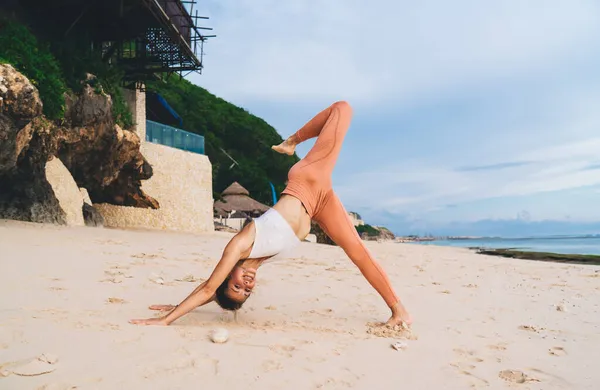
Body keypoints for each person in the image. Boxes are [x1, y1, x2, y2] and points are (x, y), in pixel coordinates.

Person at [129, 101, 412, 328]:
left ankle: (292, 141)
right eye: (246, 292)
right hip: (319, 204)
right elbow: (210, 293)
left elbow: (207, 288)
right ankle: (399, 310)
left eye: (237, 285)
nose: (246, 285)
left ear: (229, 275)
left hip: (308, 180)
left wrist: (167, 319)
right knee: (358, 252)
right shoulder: (259, 262)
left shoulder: (241, 244)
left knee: (343, 109)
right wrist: (179, 305)